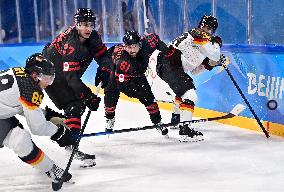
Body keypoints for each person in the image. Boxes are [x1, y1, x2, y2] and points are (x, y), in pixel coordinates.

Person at [42, 8, 111, 167]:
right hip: (52, 78)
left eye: (91, 25)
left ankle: (57, 122)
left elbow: (103, 56)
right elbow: (71, 79)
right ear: (77, 25)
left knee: (76, 106)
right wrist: (88, 96)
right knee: (74, 106)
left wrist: (105, 69)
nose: (88, 28)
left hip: (65, 74)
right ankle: (71, 144)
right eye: (84, 25)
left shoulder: (93, 36)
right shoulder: (71, 44)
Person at [148, 15, 226, 142]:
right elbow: (216, 55)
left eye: (209, 28)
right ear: (200, 26)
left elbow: (195, 71)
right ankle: (185, 131)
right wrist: (217, 44)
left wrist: (211, 63)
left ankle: (176, 118)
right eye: (204, 26)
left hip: (169, 66)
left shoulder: (200, 43)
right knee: (190, 94)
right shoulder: (199, 35)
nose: (206, 30)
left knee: (184, 90)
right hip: (168, 65)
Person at [0, 53, 75, 183]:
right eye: (46, 78)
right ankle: (49, 168)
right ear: (35, 75)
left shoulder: (20, 75)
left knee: (20, 138)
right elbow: (37, 128)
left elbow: (18, 105)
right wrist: (59, 133)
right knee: (20, 141)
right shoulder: (31, 89)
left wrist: (50, 117)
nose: (48, 83)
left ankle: (37, 160)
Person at [103, 31, 169, 136]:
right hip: (117, 79)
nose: (132, 50)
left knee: (149, 100)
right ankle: (109, 119)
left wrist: (166, 52)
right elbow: (104, 58)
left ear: (140, 44)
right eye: (129, 47)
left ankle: (158, 122)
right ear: (124, 46)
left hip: (138, 78)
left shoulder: (147, 44)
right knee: (110, 95)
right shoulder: (121, 58)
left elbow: (155, 39)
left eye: (134, 46)